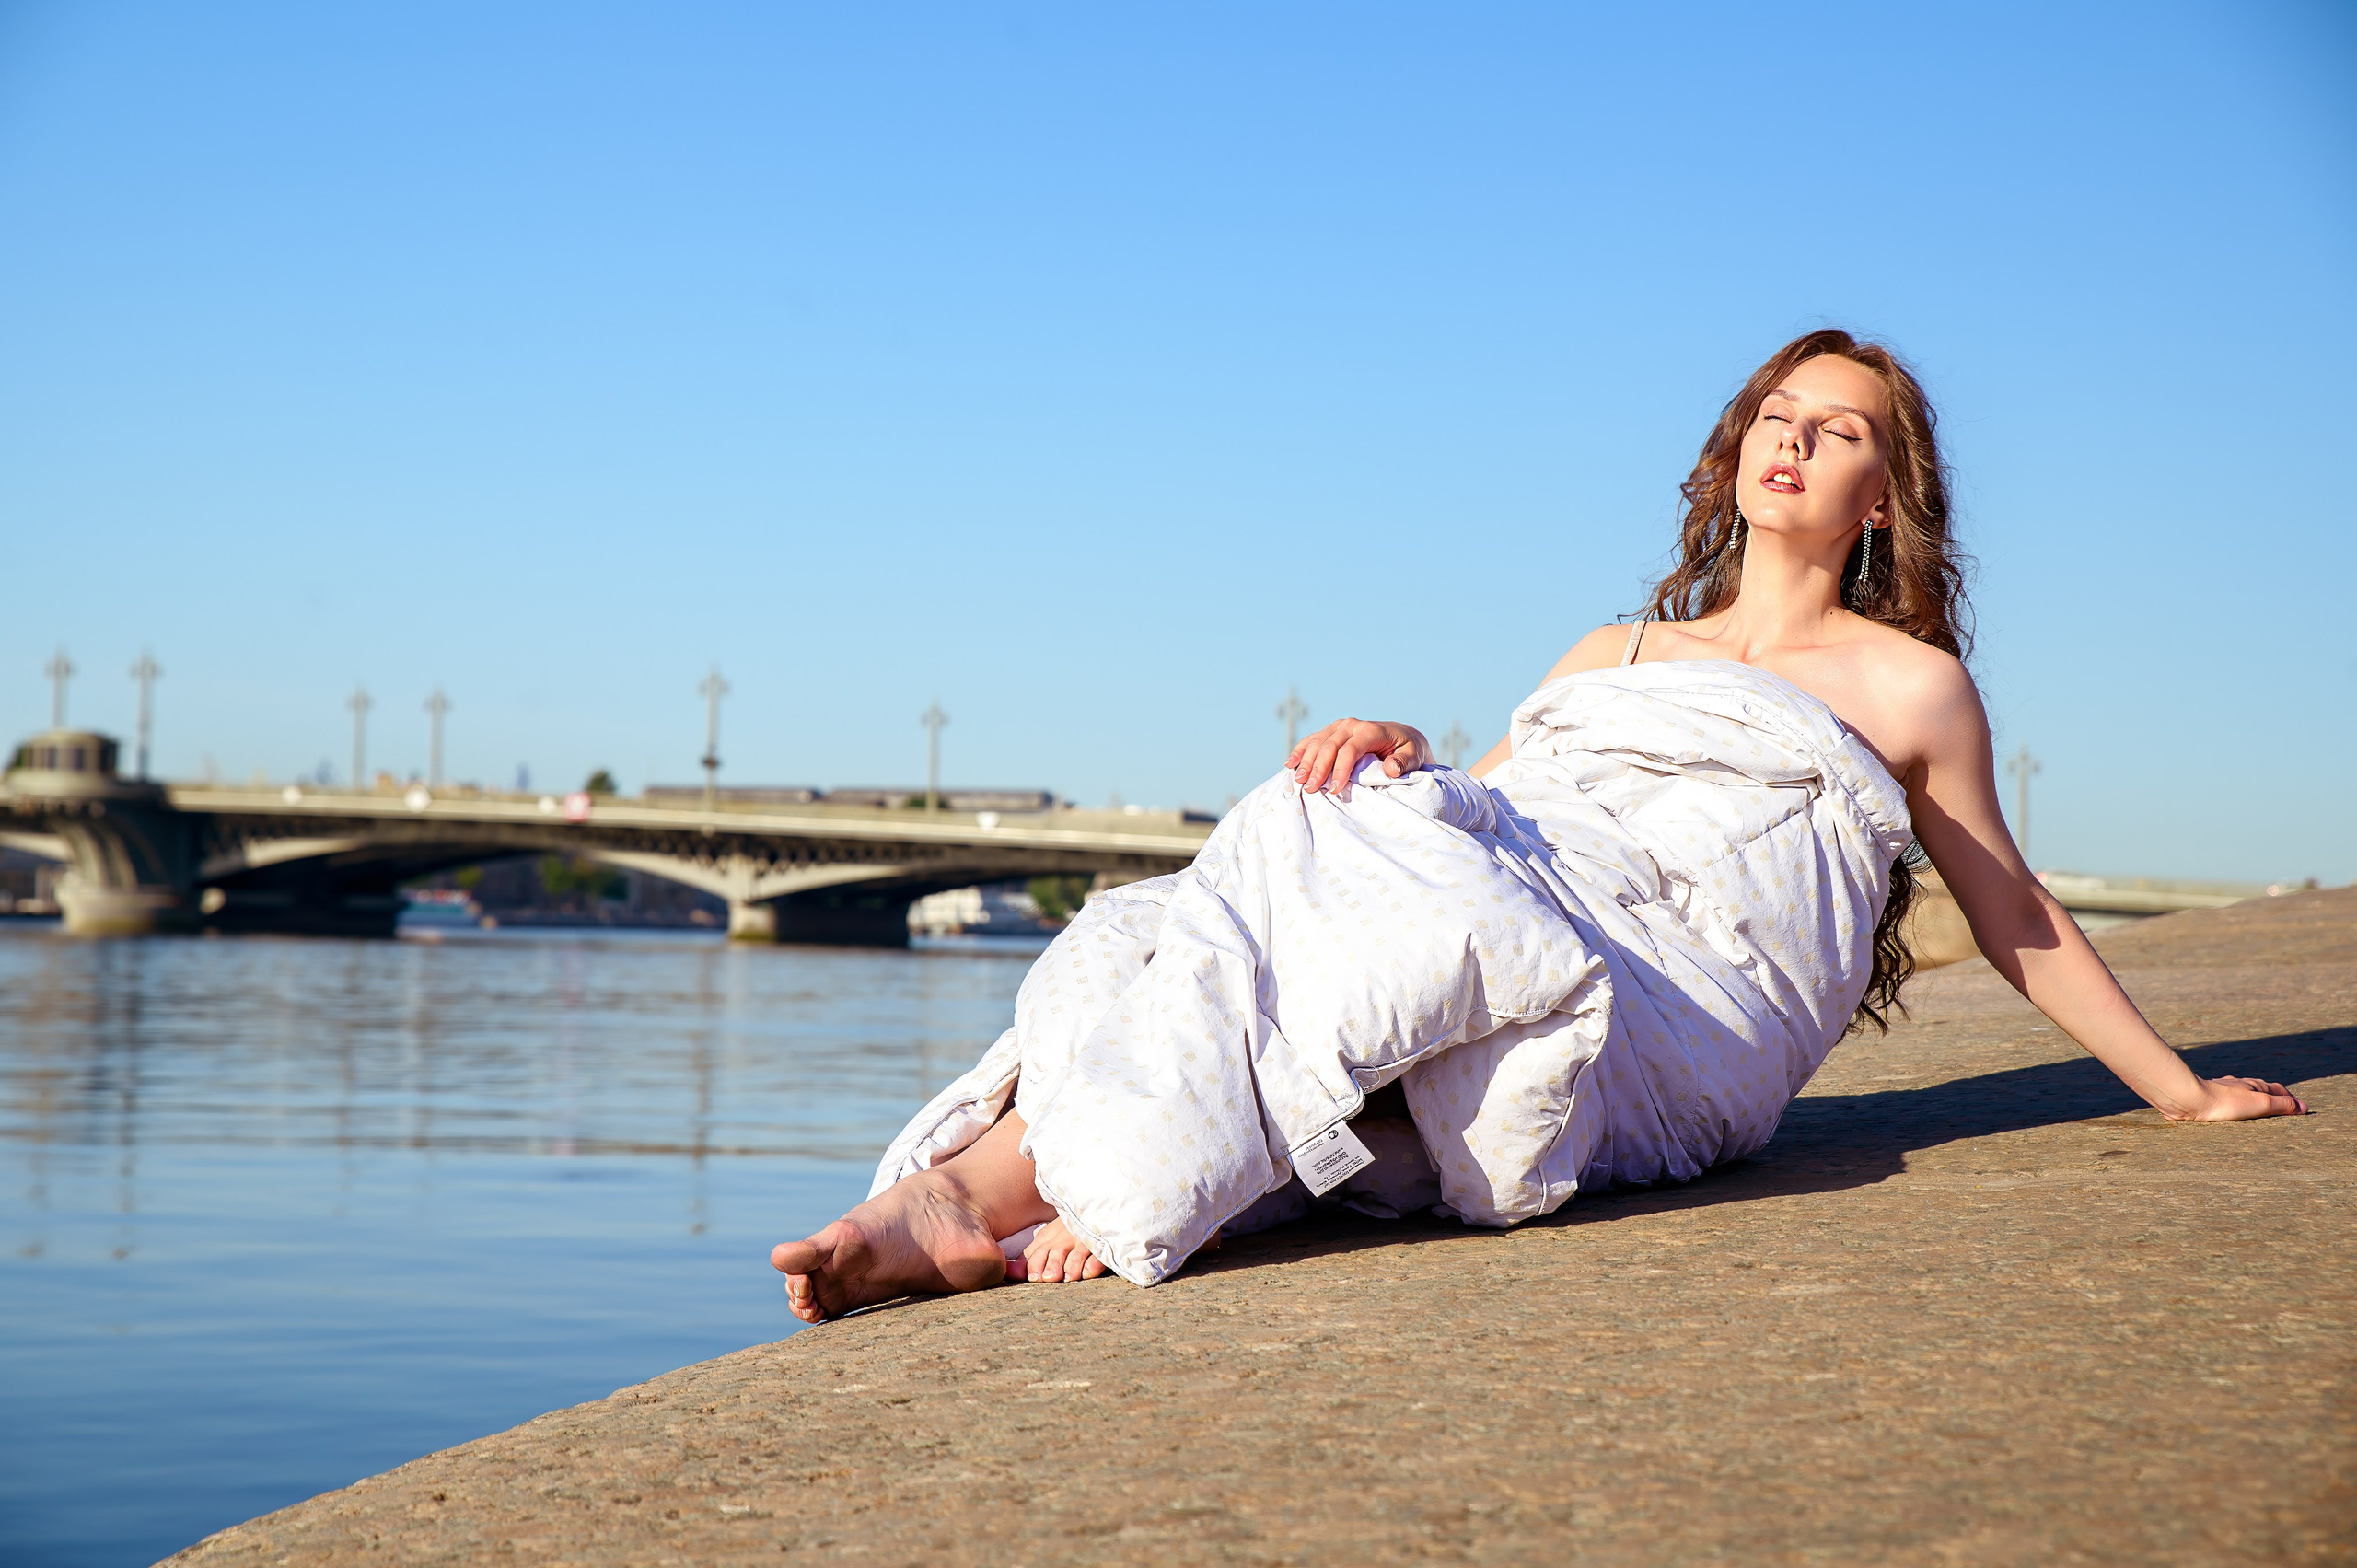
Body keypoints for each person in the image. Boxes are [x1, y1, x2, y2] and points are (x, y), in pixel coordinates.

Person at [773, 328, 2305, 1324]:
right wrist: (1395, 747)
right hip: (1549, 898)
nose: (1792, 441)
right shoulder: (1613, 650)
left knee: (1420, 921)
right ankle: (982, 1196)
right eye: (1776, 416)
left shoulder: (1909, 686)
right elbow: (1484, 815)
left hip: (1685, 994)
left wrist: (2177, 1094)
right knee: (1312, 838)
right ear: (1737, 451)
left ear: (1885, 496)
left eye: (1837, 430)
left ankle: (1074, 1186)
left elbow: (2012, 906)